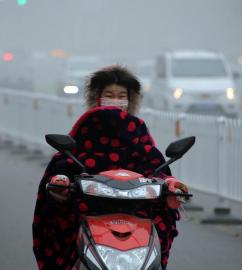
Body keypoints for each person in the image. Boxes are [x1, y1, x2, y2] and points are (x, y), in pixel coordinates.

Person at [32, 65, 189, 269]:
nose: (115, 100)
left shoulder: (138, 128)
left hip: (137, 209)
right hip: (89, 207)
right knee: (59, 221)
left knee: (163, 223)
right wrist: (62, 182)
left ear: (130, 99)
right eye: (109, 94)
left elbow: (154, 165)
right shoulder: (87, 126)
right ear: (98, 97)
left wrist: (171, 184)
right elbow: (67, 162)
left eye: (121, 95)